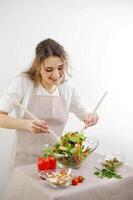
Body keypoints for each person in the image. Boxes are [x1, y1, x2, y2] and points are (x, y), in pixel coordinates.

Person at [0, 38, 98, 172]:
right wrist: (27, 124)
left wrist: (91, 117)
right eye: (49, 69)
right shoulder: (23, 83)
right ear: (38, 66)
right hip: (25, 160)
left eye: (60, 68)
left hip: (56, 159)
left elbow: (85, 113)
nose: (56, 75)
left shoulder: (67, 88)